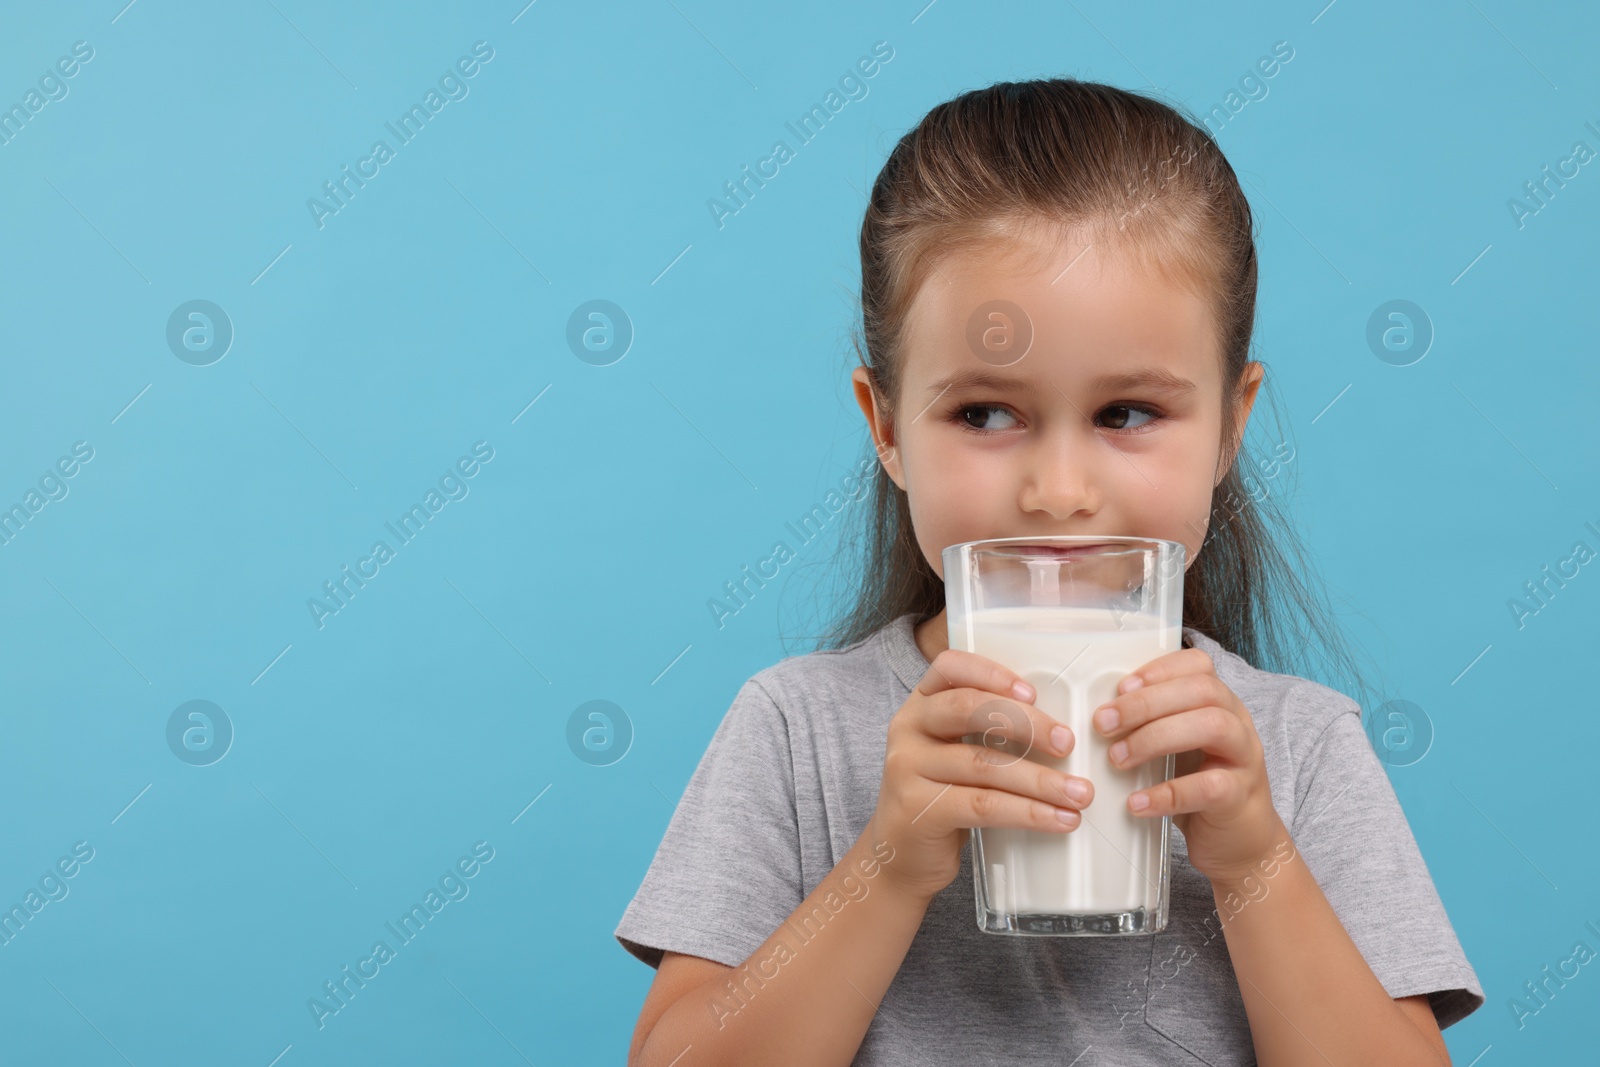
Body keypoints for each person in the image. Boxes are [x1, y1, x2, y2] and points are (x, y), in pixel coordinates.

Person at [615, 77, 1483, 1066]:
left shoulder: (1297, 749)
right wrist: (886, 868)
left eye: (1126, 412)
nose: (1060, 490)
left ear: (1230, 427)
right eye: (985, 413)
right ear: (887, 427)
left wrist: (1253, 859)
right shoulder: (797, 731)